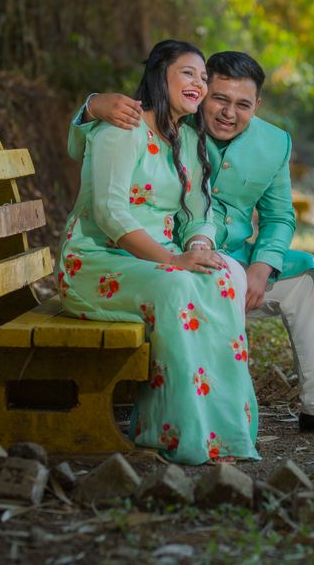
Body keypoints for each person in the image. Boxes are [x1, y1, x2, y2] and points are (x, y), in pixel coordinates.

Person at [68, 51, 314, 434]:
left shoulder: (274, 142)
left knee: (308, 280)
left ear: (257, 105)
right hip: (163, 253)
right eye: (219, 99)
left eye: (243, 105)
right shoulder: (176, 123)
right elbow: (92, 149)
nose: (229, 113)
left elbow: (280, 216)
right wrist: (93, 105)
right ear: (203, 92)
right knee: (211, 280)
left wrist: (262, 267)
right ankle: (207, 414)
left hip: (236, 255)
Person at [58, 40, 259, 464]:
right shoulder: (121, 128)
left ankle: (223, 432)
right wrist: (171, 261)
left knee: (221, 279)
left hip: (159, 260)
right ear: (158, 75)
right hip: (96, 261)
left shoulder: (185, 139)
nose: (198, 83)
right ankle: (173, 433)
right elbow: (109, 214)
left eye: (203, 77)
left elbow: (197, 212)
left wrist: (198, 246)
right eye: (188, 72)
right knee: (176, 289)